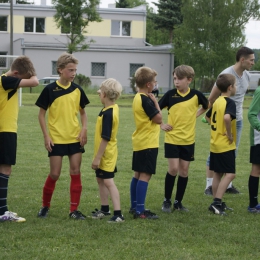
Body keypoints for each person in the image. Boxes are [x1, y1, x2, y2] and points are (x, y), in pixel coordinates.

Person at [36, 53, 89, 220]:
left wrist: (84, 129)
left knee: (75, 171)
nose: (73, 73)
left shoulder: (78, 90)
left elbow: (83, 113)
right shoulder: (50, 90)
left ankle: (73, 210)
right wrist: (46, 136)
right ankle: (45, 206)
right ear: (60, 70)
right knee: (55, 174)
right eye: (70, 70)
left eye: (75, 70)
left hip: (74, 138)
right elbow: (41, 115)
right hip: (57, 139)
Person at [204, 46, 255, 196]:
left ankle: (228, 185)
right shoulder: (226, 74)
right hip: (223, 120)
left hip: (237, 120)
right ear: (242, 59)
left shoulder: (247, 76)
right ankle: (209, 185)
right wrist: (211, 118)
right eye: (251, 60)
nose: (253, 63)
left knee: (232, 151)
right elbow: (212, 98)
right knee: (216, 151)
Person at [159, 65, 208, 213]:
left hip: (188, 140)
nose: (176, 82)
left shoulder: (196, 95)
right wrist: (161, 124)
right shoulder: (170, 95)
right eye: (174, 79)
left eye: (179, 79)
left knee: (184, 171)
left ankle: (178, 202)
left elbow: (206, 105)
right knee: (173, 169)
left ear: (189, 80)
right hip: (172, 139)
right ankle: (166, 200)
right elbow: (156, 109)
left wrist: (196, 115)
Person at [0, 56, 39, 222]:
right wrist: (32, 75)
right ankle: (2, 212)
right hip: (5, 131)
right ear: (15, 73)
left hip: (5, 130)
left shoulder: (5, 80)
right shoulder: (7, 80)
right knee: (5, 169)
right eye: (22, 78)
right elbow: (35, 82)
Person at [129, 66, 162, 219]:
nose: (156, 84)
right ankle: (140, 211)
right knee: (145, 175)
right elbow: (159, 119)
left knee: (137, 174)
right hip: (148, 142)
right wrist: (156, 103)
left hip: (139, 141)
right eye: (154, 81)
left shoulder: (137, 97)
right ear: (148, 84)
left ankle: (134, 206)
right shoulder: (146, 100)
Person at [90, 78, 125, 223]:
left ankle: (118, 214)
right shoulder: (110, 108)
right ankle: (105, 209)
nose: (99, 96)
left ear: (104, 94)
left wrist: (97, 158)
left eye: (100, 94)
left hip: (106, 154)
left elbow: (105, 137)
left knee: (109, 182)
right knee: (100, 179)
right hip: (105, 153)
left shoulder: (109, 113)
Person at [207, 74, 237, 215]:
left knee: (218, 174)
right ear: (230, 87)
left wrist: (215, 127)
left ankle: (216, 203)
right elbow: (226, 117)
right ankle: (217, 202)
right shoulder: (229, 102)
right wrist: (229, 134)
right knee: (230, 174)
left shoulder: (217, 101)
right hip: (225, 145)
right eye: (235, 85)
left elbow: (208, 116)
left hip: (215, 143)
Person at [247, 78, 260, 213]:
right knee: (256, 170)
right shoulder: (259, 91)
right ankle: (253, 204)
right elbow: (251, 114)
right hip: (259, 139)